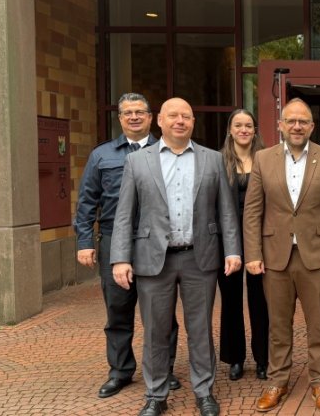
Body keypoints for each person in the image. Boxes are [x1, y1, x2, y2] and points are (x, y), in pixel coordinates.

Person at [110, 97, 242, 416]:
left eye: (186, 116)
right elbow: (125, 214)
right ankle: (156, 394)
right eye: (173, 116)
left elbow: (226, 211)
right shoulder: (138, 162)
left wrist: (233, 250)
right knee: (155, 331)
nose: (180, 121)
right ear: (160, 121)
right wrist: (120, 258)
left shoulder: (212, 160)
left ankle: (204, 391)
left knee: (200, 329)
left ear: (193, 122)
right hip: (153, 259)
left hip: (201, 258)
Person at [244, 98, 320, 414]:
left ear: (312, 126)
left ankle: (319, 381)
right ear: (280, 125)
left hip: (317, 256)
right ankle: (278, 380)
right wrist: (252, 252)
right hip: (274, 255)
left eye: (303, 121)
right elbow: (253, 210)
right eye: (291, 121)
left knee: (319, 325)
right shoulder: (263, 159)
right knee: (278, 325)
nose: (297, 126)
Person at [74, 92, 181, 399]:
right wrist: (84, 242)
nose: (134, 117)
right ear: (120, 119)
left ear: (151, 118)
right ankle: (120, 371)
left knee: (161, 312)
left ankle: (164, 369)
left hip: (154, 242)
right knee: (118, 310)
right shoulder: (102, 155)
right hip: (112, 241)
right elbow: (86, 202)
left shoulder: (167, 152)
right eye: (127, 113)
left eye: (140, 112)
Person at [217, 109, 269, 381]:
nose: (244, 129)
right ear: (230, 129)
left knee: (261, 301)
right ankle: (235, 358)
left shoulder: (266, 158)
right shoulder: (218, 161)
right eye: (238, 125)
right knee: (231, 300)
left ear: (255, 129)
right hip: (227, 241)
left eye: (248, 125)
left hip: (261, 238)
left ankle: (263, 358)